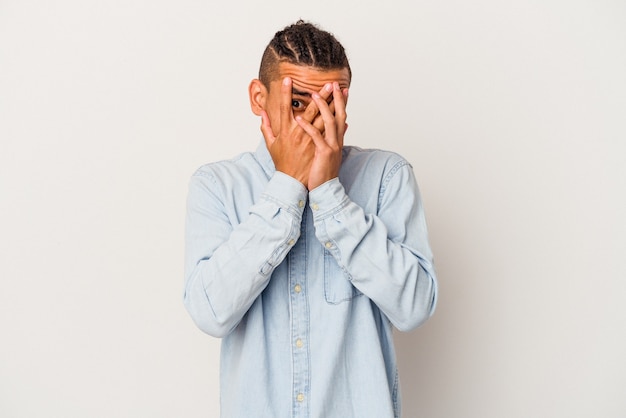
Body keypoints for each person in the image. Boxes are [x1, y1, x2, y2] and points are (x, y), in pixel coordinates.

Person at [184, 20, 438, 418]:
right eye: (298, 103)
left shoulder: (387, 177)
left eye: (330, 104)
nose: (313, 123)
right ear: (258, 98)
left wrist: (329, 194)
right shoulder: (217, 186)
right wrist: (286, 185)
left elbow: (415, 306)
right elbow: (210, 312)